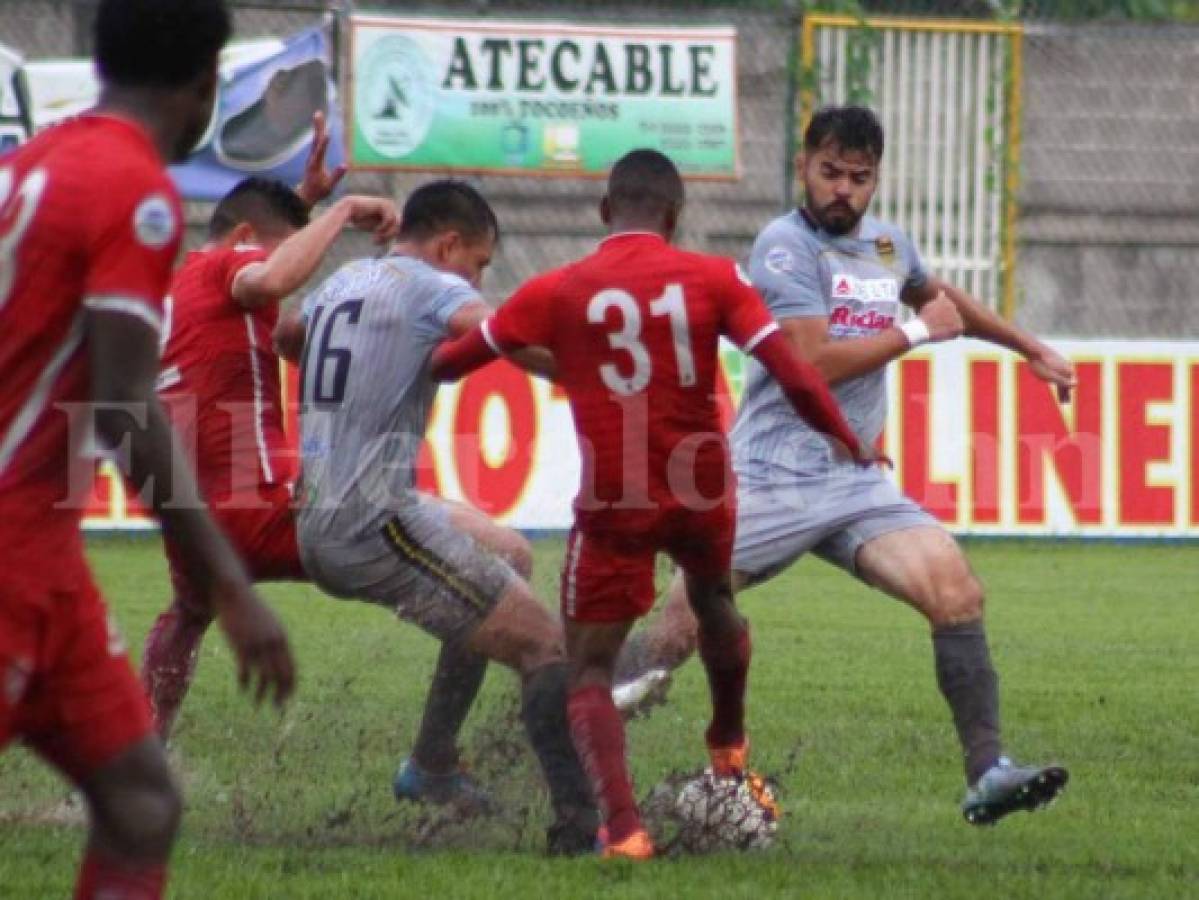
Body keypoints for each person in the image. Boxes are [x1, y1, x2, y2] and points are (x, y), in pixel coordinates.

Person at [613, 105, 1076, 826]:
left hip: (855, 481)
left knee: (954, 591)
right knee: (673, 632)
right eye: (829, 172)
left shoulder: (889, 246)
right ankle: (567, 729)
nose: (843, 191)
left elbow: (940, 297)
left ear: (874, 181)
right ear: (803, 167)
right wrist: (915, 332)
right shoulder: (783, 247)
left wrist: (1030, 347)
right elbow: (808, 360)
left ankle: (987, 771)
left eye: (858, 178)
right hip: (771, 474)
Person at [429, 149, 872, 859]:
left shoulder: (557, 290)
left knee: (590, 671)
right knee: (713, 600)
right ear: (674, 215)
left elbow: (448, 364)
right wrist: (846, 437)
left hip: (615, 496)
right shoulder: (712, 278)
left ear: (605, 211)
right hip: (700, 484)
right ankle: (726, 741)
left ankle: (626, 830)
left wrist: (520, 345)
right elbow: (792, 370)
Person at [0, 1, 295, 898]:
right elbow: (126, 404)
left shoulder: (44, 156)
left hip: (47, 552)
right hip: (9, 545)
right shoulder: (136, 190)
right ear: (207, 80)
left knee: (140, 801)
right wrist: (233, 587)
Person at [290, 179, 598, 854]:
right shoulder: (434, 287)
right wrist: (598, 373)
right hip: (371, 522)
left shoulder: (347, 280)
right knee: (543, 645)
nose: (476, 278)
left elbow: (290, 335)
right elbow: (509, 338)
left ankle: (430, 766)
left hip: (322, 504)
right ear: (448, 244)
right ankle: (583, 828)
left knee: (509, 552)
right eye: (479, 264)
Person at [139, 159, 395, 740]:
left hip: (193, 515)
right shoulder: (233, 264)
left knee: (187, 615)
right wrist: (345, 211)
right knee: (451, 546)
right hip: (258, 499)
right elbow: (269, 276)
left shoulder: (176, 286)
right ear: (244, 241)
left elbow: (267, 242)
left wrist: (302, 204)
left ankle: (142, 755)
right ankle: (437, 756)